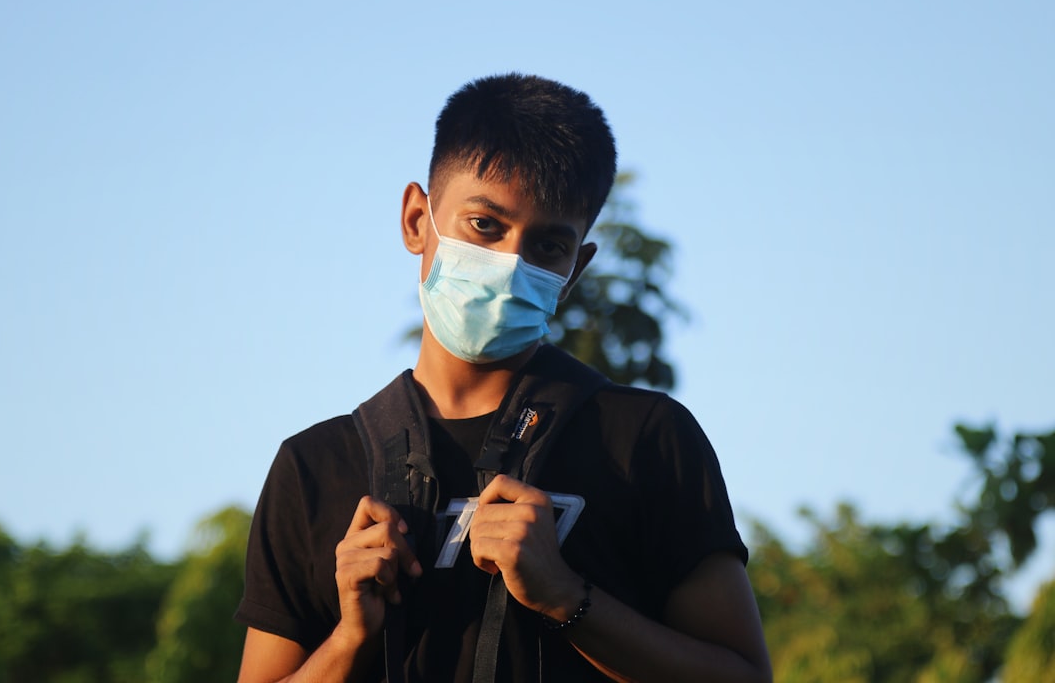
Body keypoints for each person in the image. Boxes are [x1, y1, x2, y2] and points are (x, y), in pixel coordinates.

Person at [235, 73, 772, 683]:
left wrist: (566, 598)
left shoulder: (645, 439)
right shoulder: (314, 467)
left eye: (547, 247)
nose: (510, 265)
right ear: (417, 219)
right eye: (485, 225)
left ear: (575, 271)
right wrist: (349, 638)